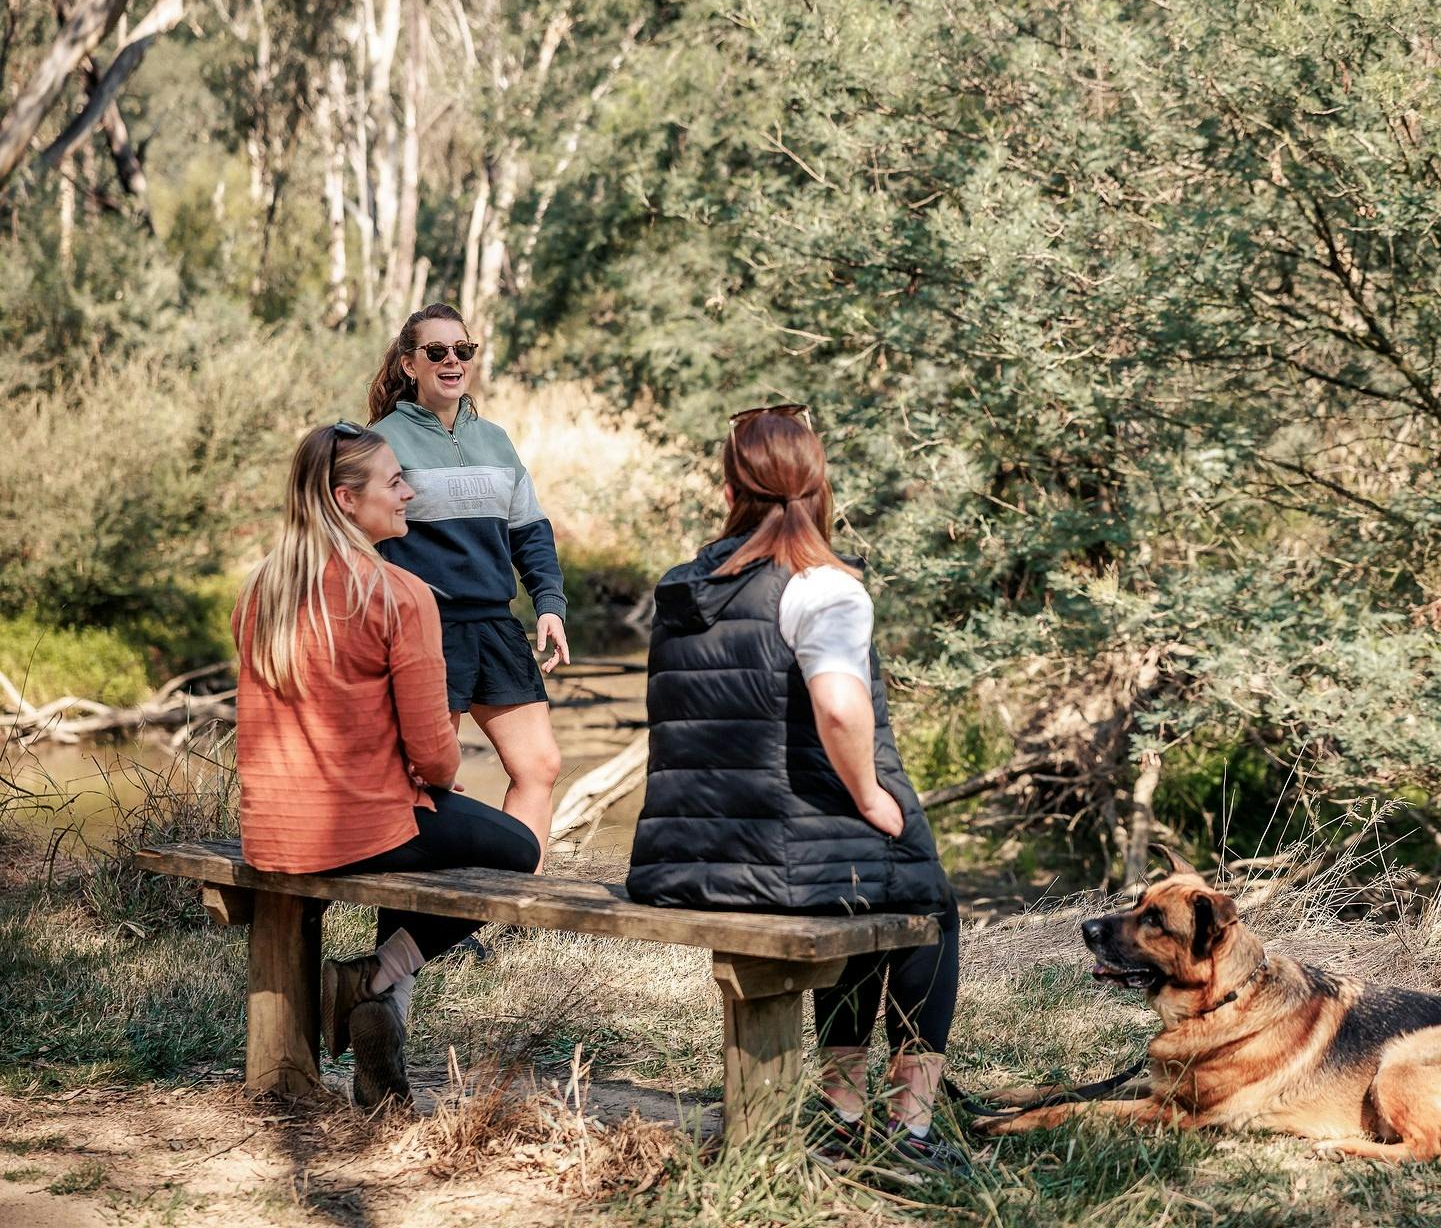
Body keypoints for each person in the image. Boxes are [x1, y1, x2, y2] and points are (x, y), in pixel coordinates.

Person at [625, 404, 965, 1171]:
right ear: (819, 487)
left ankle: (842, 1112)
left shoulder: (686, 589)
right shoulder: (822, 588)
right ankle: (908, 1129)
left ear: (727, 490)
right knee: (928, 902)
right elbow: (839, 707)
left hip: (683, 859)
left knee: (865, 880)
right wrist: (870, 796)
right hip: (778, 865)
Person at [233, 422, 541, 1110]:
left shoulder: (261, 590)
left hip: (271, 831)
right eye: (396, 482)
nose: (409, 493)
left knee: (422, 830)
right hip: (354, 828)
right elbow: (435, 752)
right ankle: (375, 978)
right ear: (347, 500)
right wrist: (434, 779)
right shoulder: (396, 592)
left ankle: (381, 1045)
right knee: (517, 848)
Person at [367, 304, 569, 864]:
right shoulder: (379, 443)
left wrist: (549, 604)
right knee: (431, 777)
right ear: (410, 364)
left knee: (539, 766)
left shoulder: (496, 440)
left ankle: (512, 900)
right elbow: (358, 540)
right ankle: (415, 910)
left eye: (462, 350)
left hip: (496, 625)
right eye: (436, 351)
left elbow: (529, 531)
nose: (452, 361)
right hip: (426, 630)